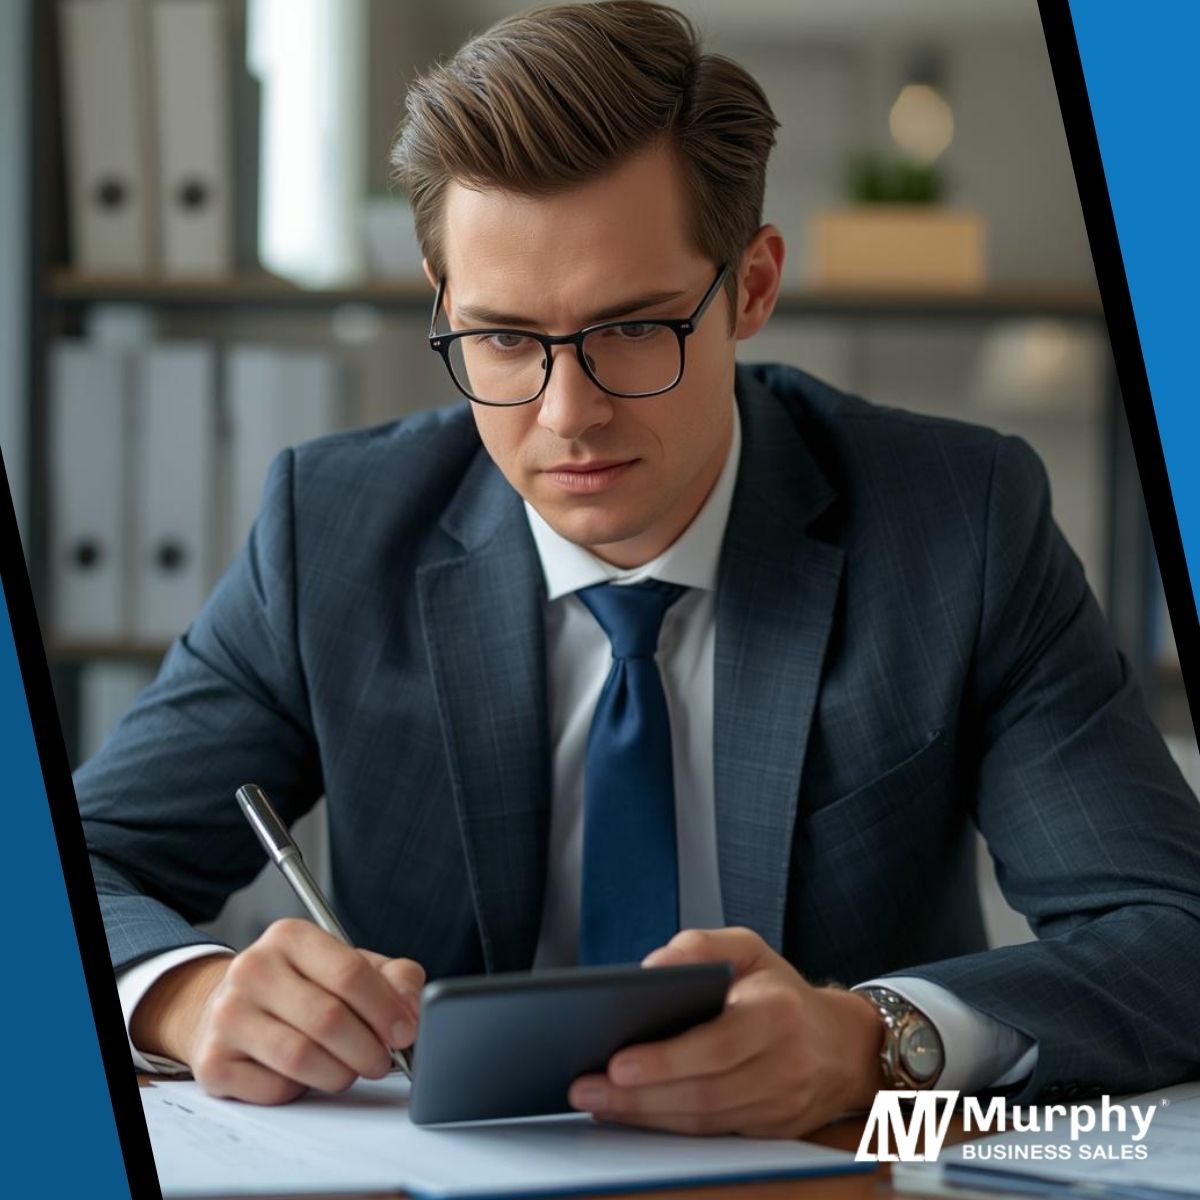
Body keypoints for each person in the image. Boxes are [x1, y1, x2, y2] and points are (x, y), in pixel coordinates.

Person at [78, 0, 1200, 1137]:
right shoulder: (331, 532)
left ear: (751, 287)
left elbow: (1171, 934)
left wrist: (870, 1040)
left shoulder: (958, 526)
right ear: (444, 304)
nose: (568, 414)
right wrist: (186, 996)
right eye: (504, 337)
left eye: (632, 330)